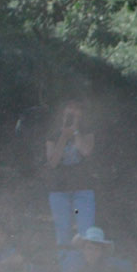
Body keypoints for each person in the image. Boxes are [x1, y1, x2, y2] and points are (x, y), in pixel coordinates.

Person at [45, 100, 97, 245]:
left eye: (77, 110)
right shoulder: (53, 134)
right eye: (70, 110)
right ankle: (67, 267)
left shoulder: (87, 132)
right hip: (59, 191)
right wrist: (63, 136)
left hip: (83, 189)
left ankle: (86, 267)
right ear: (63, 112)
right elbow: (53, 162)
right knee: (63, 235)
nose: (73, 113)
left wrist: (75, 132)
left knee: (85, 234)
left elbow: (86, 151)